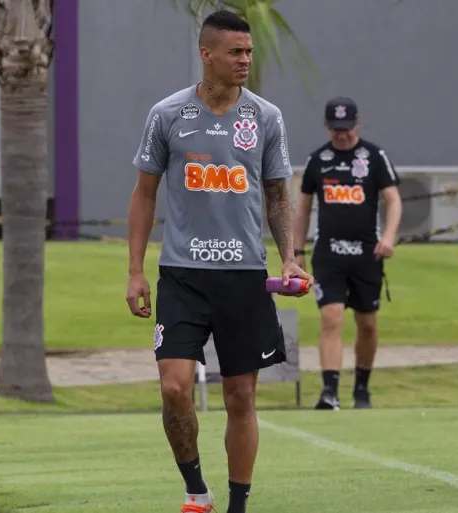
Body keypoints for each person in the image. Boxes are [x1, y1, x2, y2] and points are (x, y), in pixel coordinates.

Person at [125, 10, 313, 513]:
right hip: (183, 277)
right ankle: (195, 491)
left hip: (244, 278)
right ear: (206, 54)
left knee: (240, 398)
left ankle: (236, 505)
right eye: (236, 52)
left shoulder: (265, 117)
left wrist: (289, 259)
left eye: (249, 51)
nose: (245, 60)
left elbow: (277, 194)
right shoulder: (167, 114)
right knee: (174, 389)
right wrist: (136, 270)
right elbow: (144, 195)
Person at [293, 96, 403, 410]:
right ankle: (329, 391)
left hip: (367, 254)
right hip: (329, 254)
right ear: (327, 127)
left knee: (367, 323)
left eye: (347, 128)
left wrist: (390, 237)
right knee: (331, 318)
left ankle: (362, 388)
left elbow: (393, 200)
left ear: (357, 123)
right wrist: (297, 250)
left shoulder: (374, 156)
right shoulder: (318, 160)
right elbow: (302, 209)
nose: (342, 134)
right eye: (335, 128)